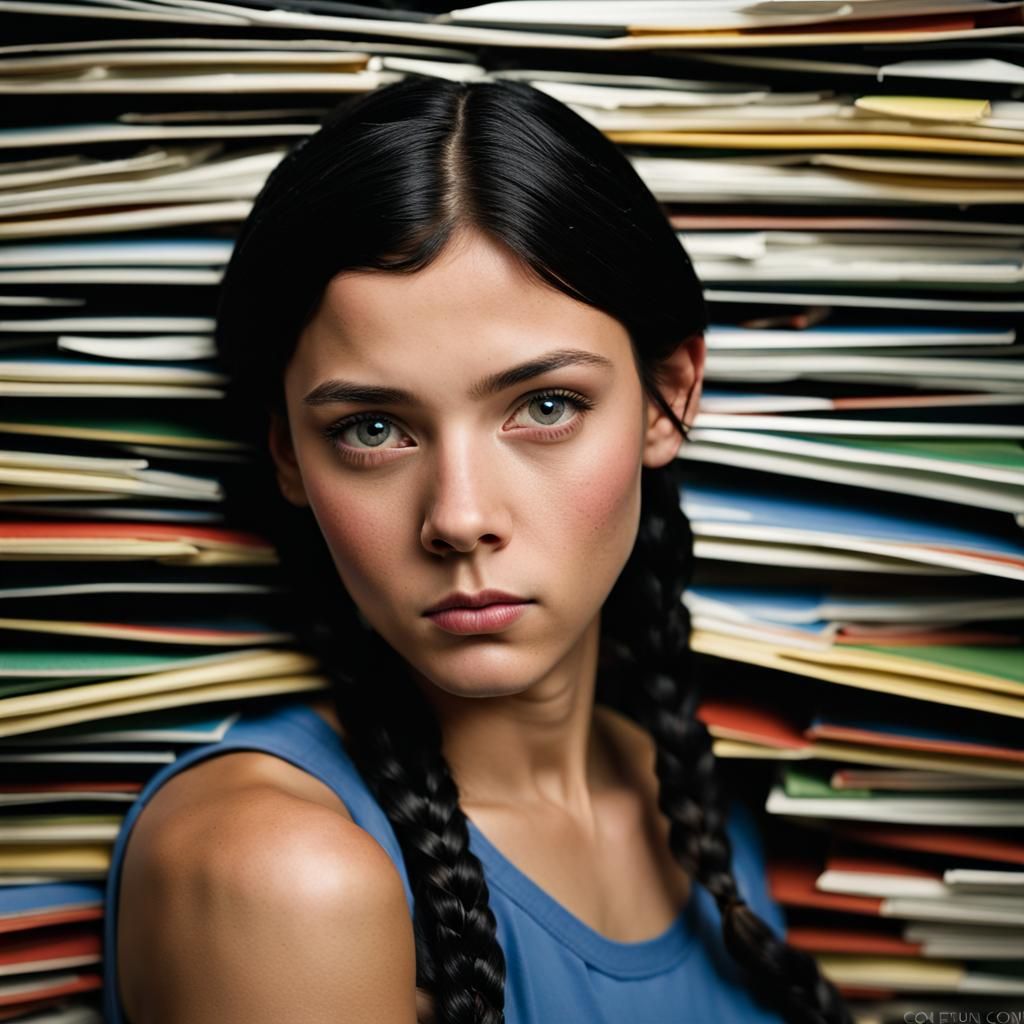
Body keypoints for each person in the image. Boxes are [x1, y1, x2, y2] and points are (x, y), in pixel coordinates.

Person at [101, 77, 852, 1024]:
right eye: (373, 429)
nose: (459, 518)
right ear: (288, 452)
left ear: (671, 395)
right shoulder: (282, 874)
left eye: (545, 407)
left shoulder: (703, 813)